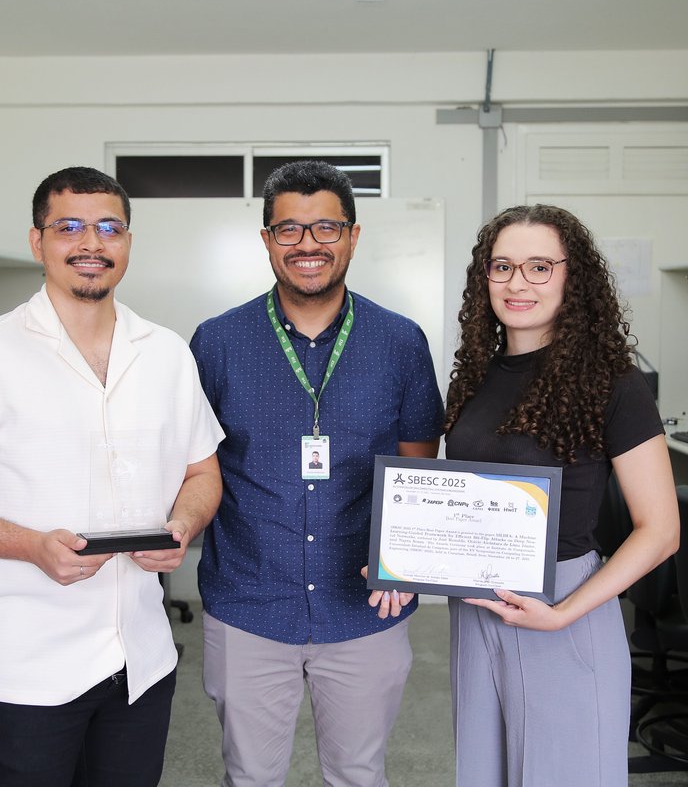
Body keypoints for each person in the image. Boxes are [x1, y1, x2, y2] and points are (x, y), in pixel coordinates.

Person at [0, 166, 224, 787]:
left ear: (128, 242)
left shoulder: (167, 354)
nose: (91, 243)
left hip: (140, 660)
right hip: (27, 667)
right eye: (69, 227)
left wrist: (184, 522)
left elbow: (202, 471)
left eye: (109, 228)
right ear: (37, 241)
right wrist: (30, 546)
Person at [190, 159, 444, 786]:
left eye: (326, 227)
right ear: (267, 239)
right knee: (249, 776)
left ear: (353, 236)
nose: (308, 244)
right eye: (289, 229)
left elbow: (418, 463)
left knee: (358, 773)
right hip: (248, 601)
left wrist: (402, 557)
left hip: (364, 608)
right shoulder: (216, 343)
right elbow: (193, 465)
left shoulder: (400, 340)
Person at [443, 204, 679, 786]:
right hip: (474, 607)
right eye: (502, 266)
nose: (517, 282)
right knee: (483, 775)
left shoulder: (611, 381)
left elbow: (661, 530)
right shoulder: (474, 377)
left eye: (540, 267)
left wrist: (564, 613)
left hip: (564, 603)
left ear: (573, 277)